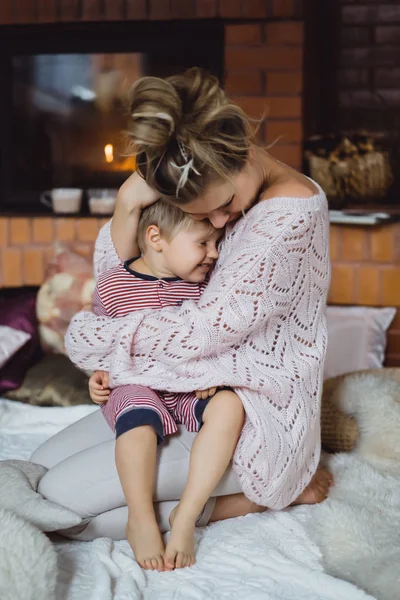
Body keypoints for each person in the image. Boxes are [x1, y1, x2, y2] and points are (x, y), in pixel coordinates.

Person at [35, 66, 331, 567]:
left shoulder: (288, 218)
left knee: (60, 504)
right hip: (173, 387)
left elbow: (201, 331)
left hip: (243, 413)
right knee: (36, 472)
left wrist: (93, 337)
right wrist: (130, 203)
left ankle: (261, 493)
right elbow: (122, 285)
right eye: (205, 220)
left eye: (223, 208)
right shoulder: (225, 188)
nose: (219, 224)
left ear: (235, 155)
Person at [88, 201, 245, 571]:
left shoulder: (206, 288)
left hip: (188, 387)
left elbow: (220, 339)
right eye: (203, 243)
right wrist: (97, 374)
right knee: (138, 416)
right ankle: (140, 517)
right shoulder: (113, 287)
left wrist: (213, 373)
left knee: (230, 406)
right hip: (136, 385)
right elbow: (100, 341)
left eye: (217, 243)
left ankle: (186, 515)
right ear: (156, 238)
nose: (214, 254)